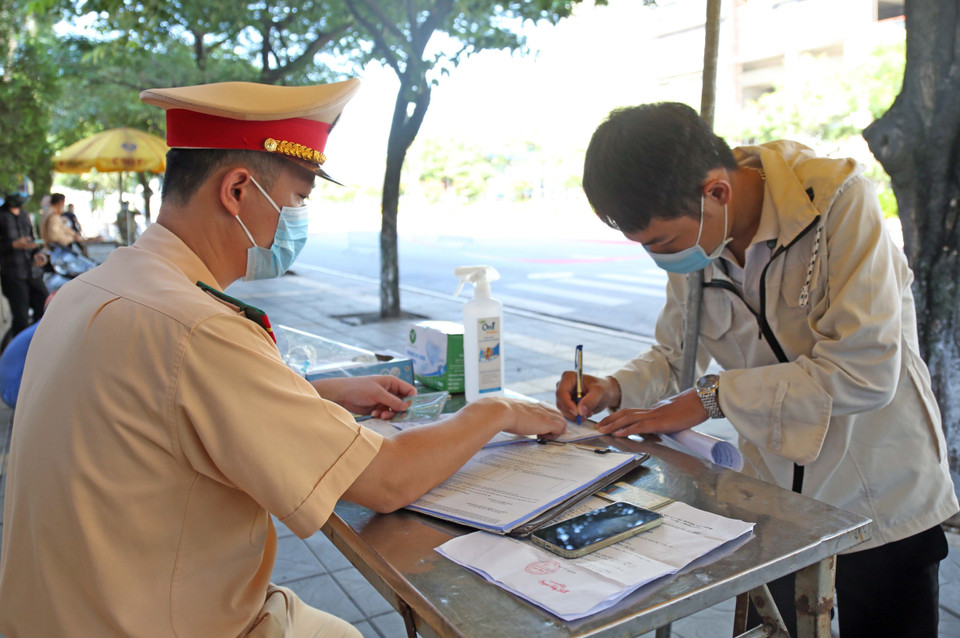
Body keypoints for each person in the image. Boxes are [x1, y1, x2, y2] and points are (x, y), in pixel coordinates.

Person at [0, 79, 567, 637]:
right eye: (296, 200)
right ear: (238, 190)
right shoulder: (198, 328)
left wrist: (314, 393)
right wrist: (494, 410)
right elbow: (387, 481)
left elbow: (159, 408)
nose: (296, 221)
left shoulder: (96, 288)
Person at [557, 102, 958, 638]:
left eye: (661, 243)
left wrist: (712, 397)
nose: (660, 259)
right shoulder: (703, 239)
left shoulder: (837, 203)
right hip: (779, 497)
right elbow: (677, 352)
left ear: (716, 192)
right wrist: (611, 388)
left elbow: (865, 370)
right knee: (790, 628)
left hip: (877, 486)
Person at [0, 193, 49, 340]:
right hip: (12, 273)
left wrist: (37, 253)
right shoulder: (1, 216)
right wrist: (13, 245)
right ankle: (19, 350)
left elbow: (31, 238)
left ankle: (39, 342)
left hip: (32, 271)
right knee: (21, 316)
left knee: (44, 305)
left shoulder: (24, 215)